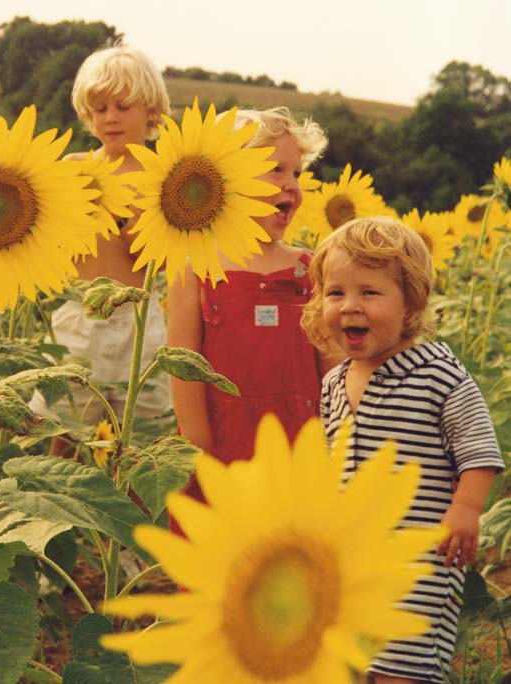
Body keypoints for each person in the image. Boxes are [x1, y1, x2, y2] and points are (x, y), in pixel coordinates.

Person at [302, 216, 504, 684]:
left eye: (370, 293)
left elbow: (478, 447)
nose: (350, 306)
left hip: (421, 559)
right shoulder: (334, 383)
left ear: (411, 303)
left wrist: (466, 509)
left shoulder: (438, 374)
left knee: (404, 663)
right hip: (350, 559)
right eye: (336, 293)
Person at [167, 106, 337, 470]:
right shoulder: (195, 266)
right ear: (230, 178)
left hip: (300, 443)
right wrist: (198, 446)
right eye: (276, 170)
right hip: (221, 444)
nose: (291, 184)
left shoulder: (306, 268)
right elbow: (183, 364)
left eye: (297, 173)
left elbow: (332, 363)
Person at [30, 45, 172, 453]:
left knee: (141, 436)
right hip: (82, 315)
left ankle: (133, 511)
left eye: (123, 106)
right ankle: (66, 508)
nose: (110, 117)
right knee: (66, 427)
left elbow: (155, 259)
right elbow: (54, 245)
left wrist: (124, 214)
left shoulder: (162, 176)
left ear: (151, 111)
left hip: (140, 322)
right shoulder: (74, 168)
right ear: (87, 115)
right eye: (100, 108)